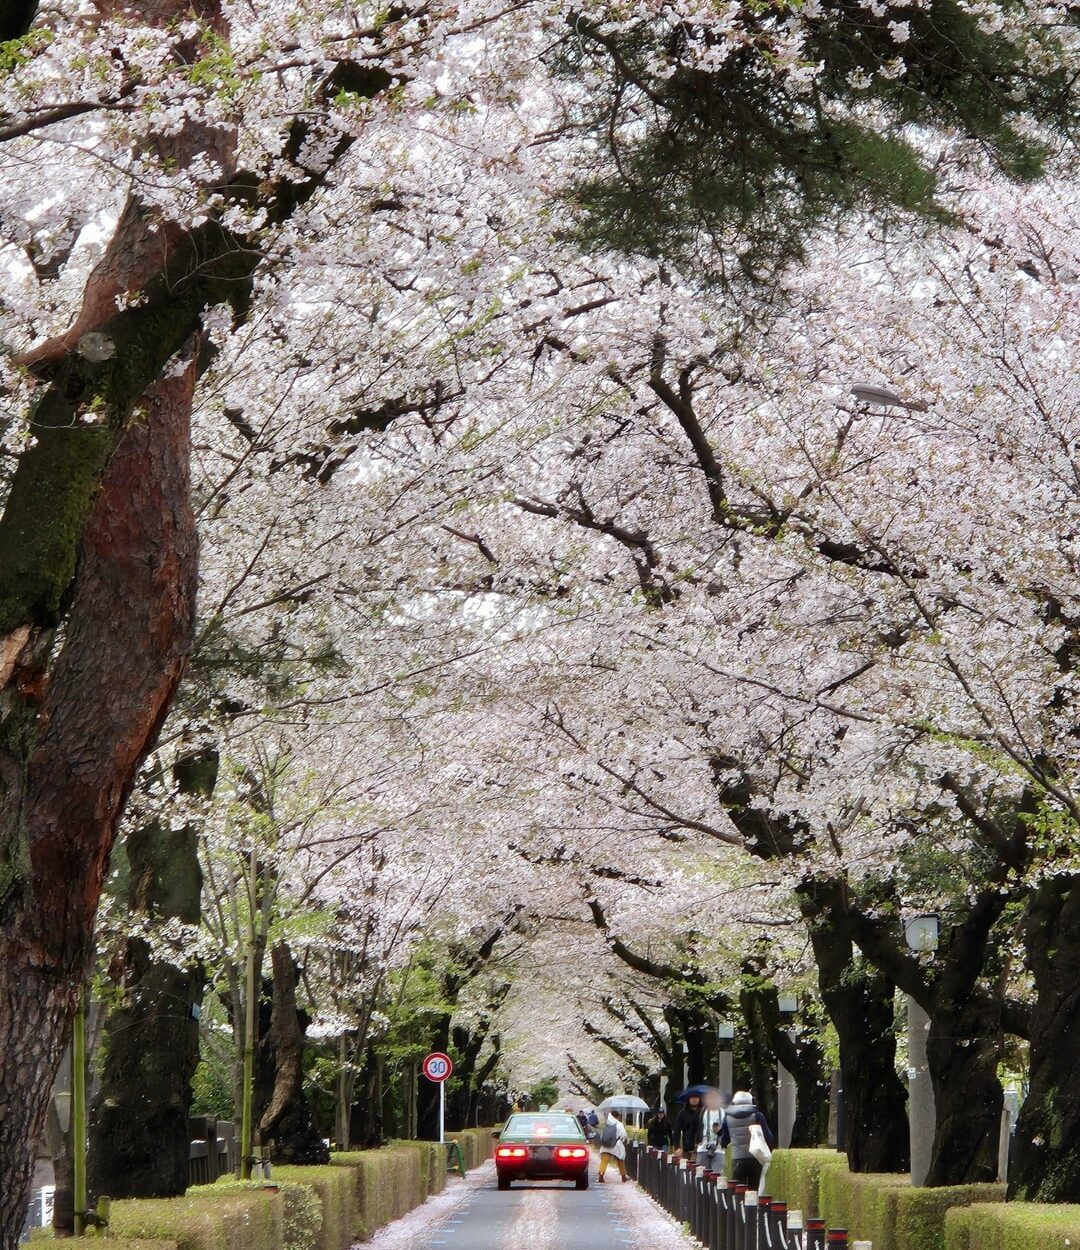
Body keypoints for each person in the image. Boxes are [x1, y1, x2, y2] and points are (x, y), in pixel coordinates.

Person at [720, 1090, 774, 1190]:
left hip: (737, 1159)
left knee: (739, 1191)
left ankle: (740, 1205)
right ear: (751, 1102)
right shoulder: (757, 1116)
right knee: (754, 1190)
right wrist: (770, 1150)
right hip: (755, 1158)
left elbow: (724, 1140)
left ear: (734, 1102)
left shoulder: (727, 1118)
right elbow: (768, 1136)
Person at [597, 1110, 629, 1182]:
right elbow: (624, 1135)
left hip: (605, 1145)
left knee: (604, 1161)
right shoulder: (619, 1124)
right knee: (620, 1159)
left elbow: (603, 1134)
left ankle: (601, 1174)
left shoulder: (607, 1123)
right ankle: (623, 1176)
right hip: (616, 1145)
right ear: (617, 1116)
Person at [673, 1091, 703, 1160]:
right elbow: (676, 1130)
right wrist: (677, 1147)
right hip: (687, 1149)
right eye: (692, 1098)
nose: (694, 1100)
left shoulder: (703, 1113)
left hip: (702, 1149)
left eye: (696, 1097)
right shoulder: (682, 1114)